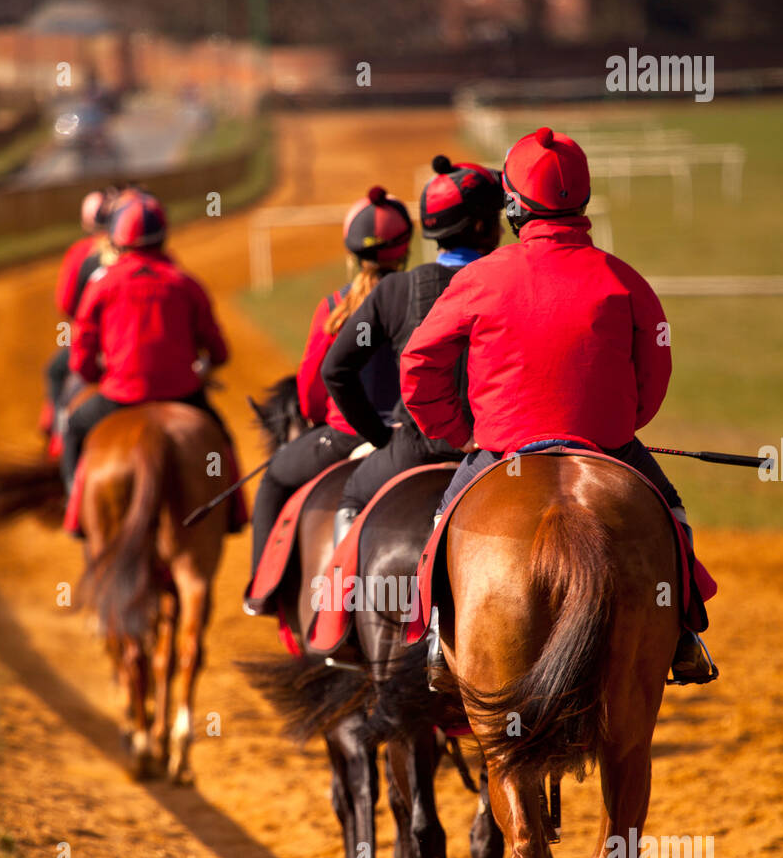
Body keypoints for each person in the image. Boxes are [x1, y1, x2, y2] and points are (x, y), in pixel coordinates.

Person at [400, 126, 715, 685]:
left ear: (515, 207)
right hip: (609, 447)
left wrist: (457, 432)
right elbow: (656, 367)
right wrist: (620, 425)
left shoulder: (478, 278)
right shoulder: (626, 279)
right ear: (583, 199)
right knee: (671, 512)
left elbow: (418, 364)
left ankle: (435, 639)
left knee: (443, 522)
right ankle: (686, 634)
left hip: (499, 452)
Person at [321, 155, 503, 545]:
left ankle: (335, 603)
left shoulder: (395, 290)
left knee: (352, 497)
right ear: (482, 225)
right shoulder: (512, 282)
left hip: (411, 452)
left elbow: (335, 370)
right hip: (498, 454)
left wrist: (380, 436)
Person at [246, 186, 413, 603]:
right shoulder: (421, 297)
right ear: (406, 249)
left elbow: (310, 386)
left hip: (345, 437)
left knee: (272, 479)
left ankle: (262, 590)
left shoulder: (334, 306)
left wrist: (314, 415)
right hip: (414, 437)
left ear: (353, 254)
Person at [61, 190, 228, 494]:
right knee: (220, 439)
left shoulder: (101, 285)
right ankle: (233, 509)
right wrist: (204, 368)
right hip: (182, 394)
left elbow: (80, 355)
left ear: (117, 240)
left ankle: (75, 511)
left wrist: (98, 377)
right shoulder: (185, 283)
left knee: (73, 429)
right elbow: (219, 351)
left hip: (119, 395)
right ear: (163, 238)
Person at [43, 188, 117, 430]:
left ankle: (58, 426)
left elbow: (66, 304)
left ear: (88, 222)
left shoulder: (81, 253)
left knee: (54, 372)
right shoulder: (147, 256)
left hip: (97, 346)